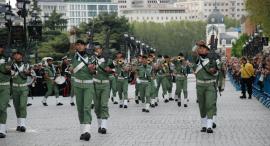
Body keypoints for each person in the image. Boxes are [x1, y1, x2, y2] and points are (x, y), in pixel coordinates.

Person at [70, 40, 95, 141]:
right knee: (80, 108)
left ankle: (87, 131)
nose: (79, 47)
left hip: (88, 85)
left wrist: (91, 69)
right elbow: (72, 67)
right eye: (77, 45)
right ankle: (82, 131)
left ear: (85, 46)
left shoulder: (91, 57)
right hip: (77, 85)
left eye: (81, 45)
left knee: (86, 107)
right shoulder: (74, 56)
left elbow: (95, 72)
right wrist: (71, 69)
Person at [193, 40, 219, 133]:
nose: (201, 50)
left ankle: (209, 126)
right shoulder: (196, 59)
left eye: (203, 48)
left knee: (210, 104)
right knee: (202, 105)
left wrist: (214, 70)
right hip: (200, 85)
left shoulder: (213, 58)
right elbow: (193, 51)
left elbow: (217, 70)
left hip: (210, 85)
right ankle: (203, 125)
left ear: (207, 50)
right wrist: (197, 44)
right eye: (200, 49)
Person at [92, 44, 115, 134]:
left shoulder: (108, 60)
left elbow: (114, 71)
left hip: (105, 84)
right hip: (95, 84)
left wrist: (109, 70)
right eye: (95, 49)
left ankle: (104, 126)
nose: (97, 50)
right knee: (97, 107)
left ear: (102, 49)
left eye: (99, 49)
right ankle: (99, 125)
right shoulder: (92, 60)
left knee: (104, 105)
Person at [10, 51, 31, 132]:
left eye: (18, 54)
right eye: (15, 55)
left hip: (24, 88)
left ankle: (23, 125)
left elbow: (30, 73)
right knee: (17, 107)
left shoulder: (26, 64)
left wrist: (27, 72)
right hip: (15, 88)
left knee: (22, 106)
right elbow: (9, 73)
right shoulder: (11, 64)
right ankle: (19, 124)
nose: (16, 56)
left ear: (21, 56)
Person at [0, 45, 11, 138]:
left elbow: (8, 71)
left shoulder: (7, 59)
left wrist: (4, 63)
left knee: (2, 107)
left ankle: (2, 130)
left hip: (4, 86)